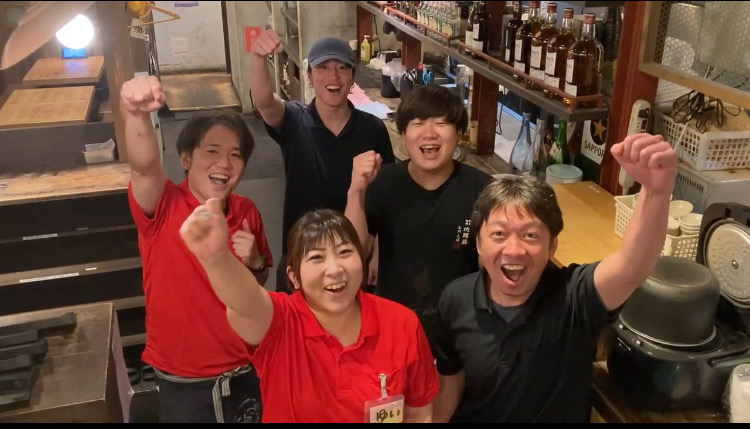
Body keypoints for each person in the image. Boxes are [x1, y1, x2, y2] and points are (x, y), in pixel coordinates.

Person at [433, 133, 678, 422]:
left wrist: (656, 191)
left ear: (552, 247)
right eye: (498, 234)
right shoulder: (455, 299)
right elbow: (451, 383)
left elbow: (632, 266)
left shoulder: (575, 296)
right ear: (478, 244)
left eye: (530, 235)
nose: (514, 249)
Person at [179, 205, 439, 423]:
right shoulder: (279, 320)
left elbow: (418, 413)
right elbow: (245, 301)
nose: (334, 269)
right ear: (294, 277)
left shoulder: (401, 323)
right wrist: (216, 258)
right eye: (316, 257)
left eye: (345, 252)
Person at [121, 75, 273, 423]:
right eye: (212, 151)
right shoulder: (163, 204)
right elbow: (144, 167)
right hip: (185, 379)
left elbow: (257, 284)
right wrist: (136, 114)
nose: (225, 163)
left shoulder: (246, 211)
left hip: (246, 368)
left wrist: (255, 263)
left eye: (236, 155)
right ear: (186, 158)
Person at [344, 84, 493, 352]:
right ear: (403, 134)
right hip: (394, 324)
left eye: (441, 123)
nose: (429, 133)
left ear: (459, 133)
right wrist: (356, 191)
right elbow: (354, 252)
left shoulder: (483, 190)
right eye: (418, 123)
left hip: (462, 329)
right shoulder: (383, 183)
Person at [248, 29, 395, 293]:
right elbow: (265, 102)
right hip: (302, 252)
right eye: (323, 67)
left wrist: (379, 250)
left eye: (342, 67)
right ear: (309, 76)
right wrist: (258, 57)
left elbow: (388, 195)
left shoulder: (372, 128)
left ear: (353, 78)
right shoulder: (294, 120)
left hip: (353, 254)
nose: (333, 76)